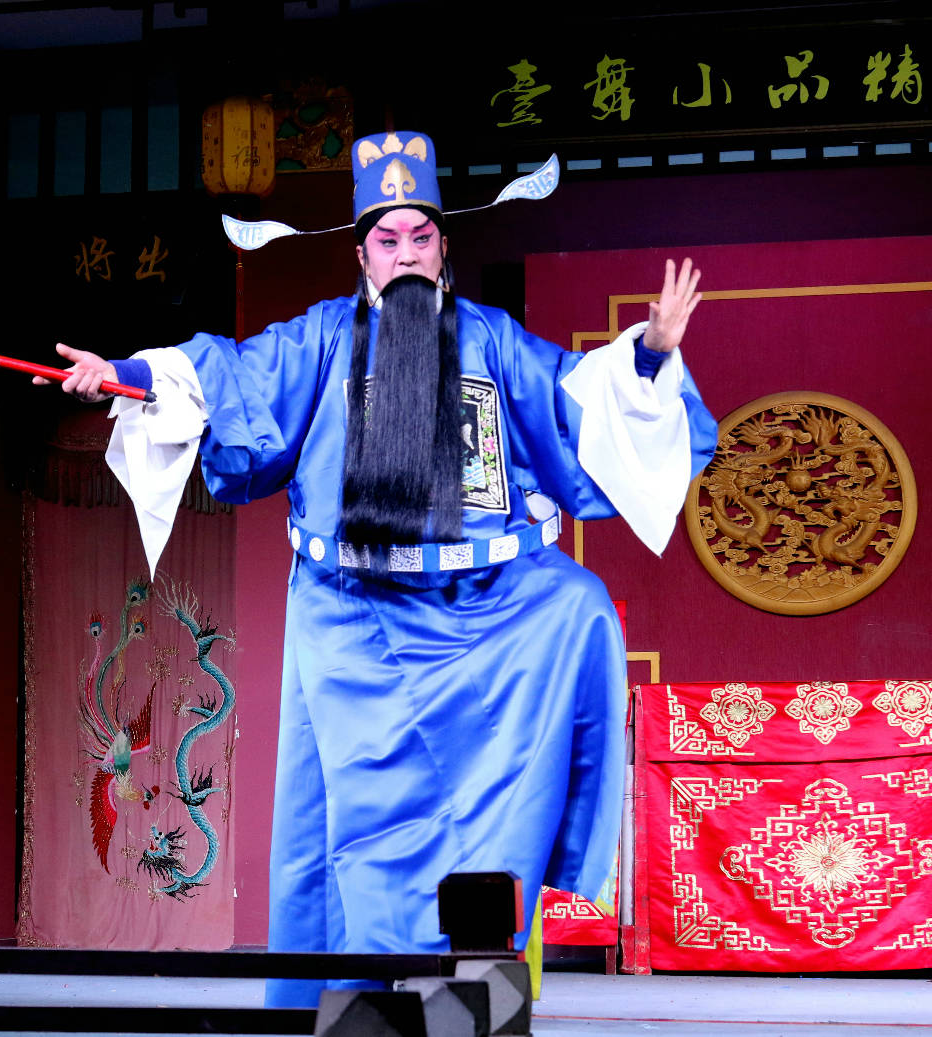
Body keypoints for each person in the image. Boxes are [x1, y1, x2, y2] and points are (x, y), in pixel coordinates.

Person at [37, 132, 719, 1007]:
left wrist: (649, 355)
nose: (405, 255)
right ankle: (353, 999)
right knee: (351, 831)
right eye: (387, 240)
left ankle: (480, 976)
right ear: (360, 254)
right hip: (354, 621)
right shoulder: (320, 341)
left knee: (580, 608)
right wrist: (127, 374)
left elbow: (578, 403)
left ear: (444, 247)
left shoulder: (492, 341)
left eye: (420, 238)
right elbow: (224, 377)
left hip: (486, 616)